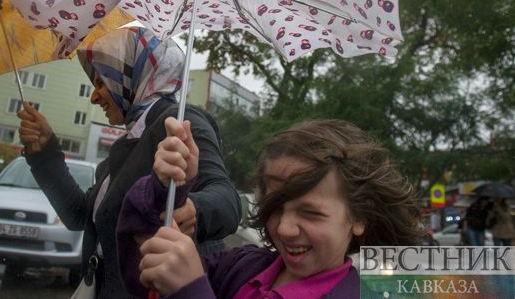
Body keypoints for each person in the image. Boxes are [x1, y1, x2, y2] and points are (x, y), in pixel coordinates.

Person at [17, 26, 240, 298]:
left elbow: (228, 200)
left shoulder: (179, 123)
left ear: (131, 77)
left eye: (101, 83)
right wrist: (45, 152)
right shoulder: (128, 142)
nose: (94, 97)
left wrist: (194, 210)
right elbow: (79, 216)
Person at [117, 119, 423, 299]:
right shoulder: (242, 267)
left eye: (311, 212)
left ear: (358, 217)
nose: (285, 228)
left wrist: (191, 290)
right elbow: (143, 274)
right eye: (275, 207)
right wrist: (165, 191)